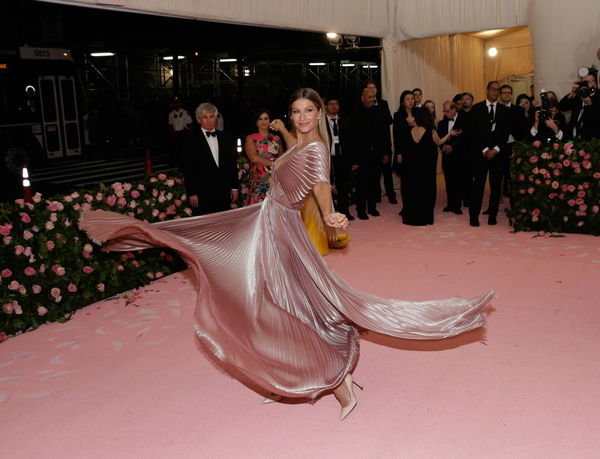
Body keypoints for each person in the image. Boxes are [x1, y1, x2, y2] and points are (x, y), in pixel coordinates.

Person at [80, 88, 493, 421]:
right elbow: (294, 154)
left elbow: (320, 184)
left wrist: (332, 215)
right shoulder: (300, 142)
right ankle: (288, 380)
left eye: (307, 110)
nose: (301, 117)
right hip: (264, 221)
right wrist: (283, 131)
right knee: (269, 302)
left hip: (282, 230)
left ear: (318, 113)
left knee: (291, 304)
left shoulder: (315, 151)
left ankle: (337, 383)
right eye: (295, 111)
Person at [401, 107, 458, 226]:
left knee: (413, 192)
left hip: (412, 168)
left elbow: (406, 150)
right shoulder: (431, 131)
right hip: (426, 169)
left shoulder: (408, 131)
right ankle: (425, 218)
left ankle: (411, 217)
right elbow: (439, 142)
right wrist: (449, 134)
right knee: (426, 192)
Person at [465, 81, 510, 227]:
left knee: (496, 188)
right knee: (477, 187)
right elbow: (473, 134)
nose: (495, 92)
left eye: (498, 90)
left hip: (497, 155)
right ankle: (474, 217)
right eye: (492, 89)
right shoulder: (476, 109)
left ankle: (492, 216)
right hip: (480, 155)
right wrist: (485, 150)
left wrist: (495, 150)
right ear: (487, 90)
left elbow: (505, 134)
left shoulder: (504, 111)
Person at [181, 103, 239, 215]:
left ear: (216, 118)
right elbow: (188, 168)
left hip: (224, 190)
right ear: (198, 120)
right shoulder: (190, 140)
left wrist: (234, 188)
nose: (209, 120)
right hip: (202, 192)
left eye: (212, 116)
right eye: (205, 117)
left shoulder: (226, 137)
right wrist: (192, 193)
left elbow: (232, 164)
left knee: (223, 223)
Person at [348, 87, 392, 220]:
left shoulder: (380, 112)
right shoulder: (355, 113)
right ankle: (361, 209)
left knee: (374, 182)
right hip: (361, 156)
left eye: (374, 97)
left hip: (377, 154)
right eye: (370, 97)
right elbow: (352, 138)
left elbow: (385, 134)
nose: (373, 99)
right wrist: (354, 160)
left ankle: (372, 207)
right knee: (362, 184)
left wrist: (386, 153)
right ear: (363, 98)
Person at [365, 80, 396, 204]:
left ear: (377, 90)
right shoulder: (363, 105)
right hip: (372, 146)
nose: (372, 90)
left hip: (385, 143)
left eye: (373, 87)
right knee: (375, 174)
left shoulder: (383, 103)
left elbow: (389, 120)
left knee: (387, 173)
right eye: (369, 88)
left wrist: (378, 114)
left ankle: (391, 196)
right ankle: (376, 196)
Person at [244, 109, 283, 204]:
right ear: (256, 122)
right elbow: (254, 158)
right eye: (260, 119)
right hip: (258, 181)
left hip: (275, 180)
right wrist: (274, 163)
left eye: (266, 118)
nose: (263, 121)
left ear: (270, 121)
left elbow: (282, 157)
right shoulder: (251, 138)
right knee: (257, 212)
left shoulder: (276, 138)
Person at [438, 101, 466, 214]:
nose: (445, 113)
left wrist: (453, 147)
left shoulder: (463, 121)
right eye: (444, 111)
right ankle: (450, 204)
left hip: (459, 156)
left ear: (454, 110)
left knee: (458, 181)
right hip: (446, 157)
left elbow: (465, 139)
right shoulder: (441, 123)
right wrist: (444, 147)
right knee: (448, 181)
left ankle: (457, 206)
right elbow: (438, 139)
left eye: (447, 110)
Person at [393, 90, 416, 214]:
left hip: (416, 152)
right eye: (407, 99)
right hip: (404, 152)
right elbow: (397, 136)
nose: (410, 101)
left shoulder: (419, 114)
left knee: (415, 181)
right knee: (405, 182)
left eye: (412, 98)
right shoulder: (398, 115)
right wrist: (399, 153)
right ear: (403, 102)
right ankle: (406, 207)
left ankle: (414, 205)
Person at [168, 98, 193, 167]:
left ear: (180, 103)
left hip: (184, 132)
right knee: (176, 149)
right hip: (175, 133)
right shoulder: (171, 114)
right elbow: (170, 124)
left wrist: (190, 134)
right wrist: (172, 131)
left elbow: (190, 123)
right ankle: (176, 162)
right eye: (175, 103)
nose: (176, 104)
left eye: (178, 103)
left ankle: (186, 162)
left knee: (184, 149)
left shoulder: (185, 112)